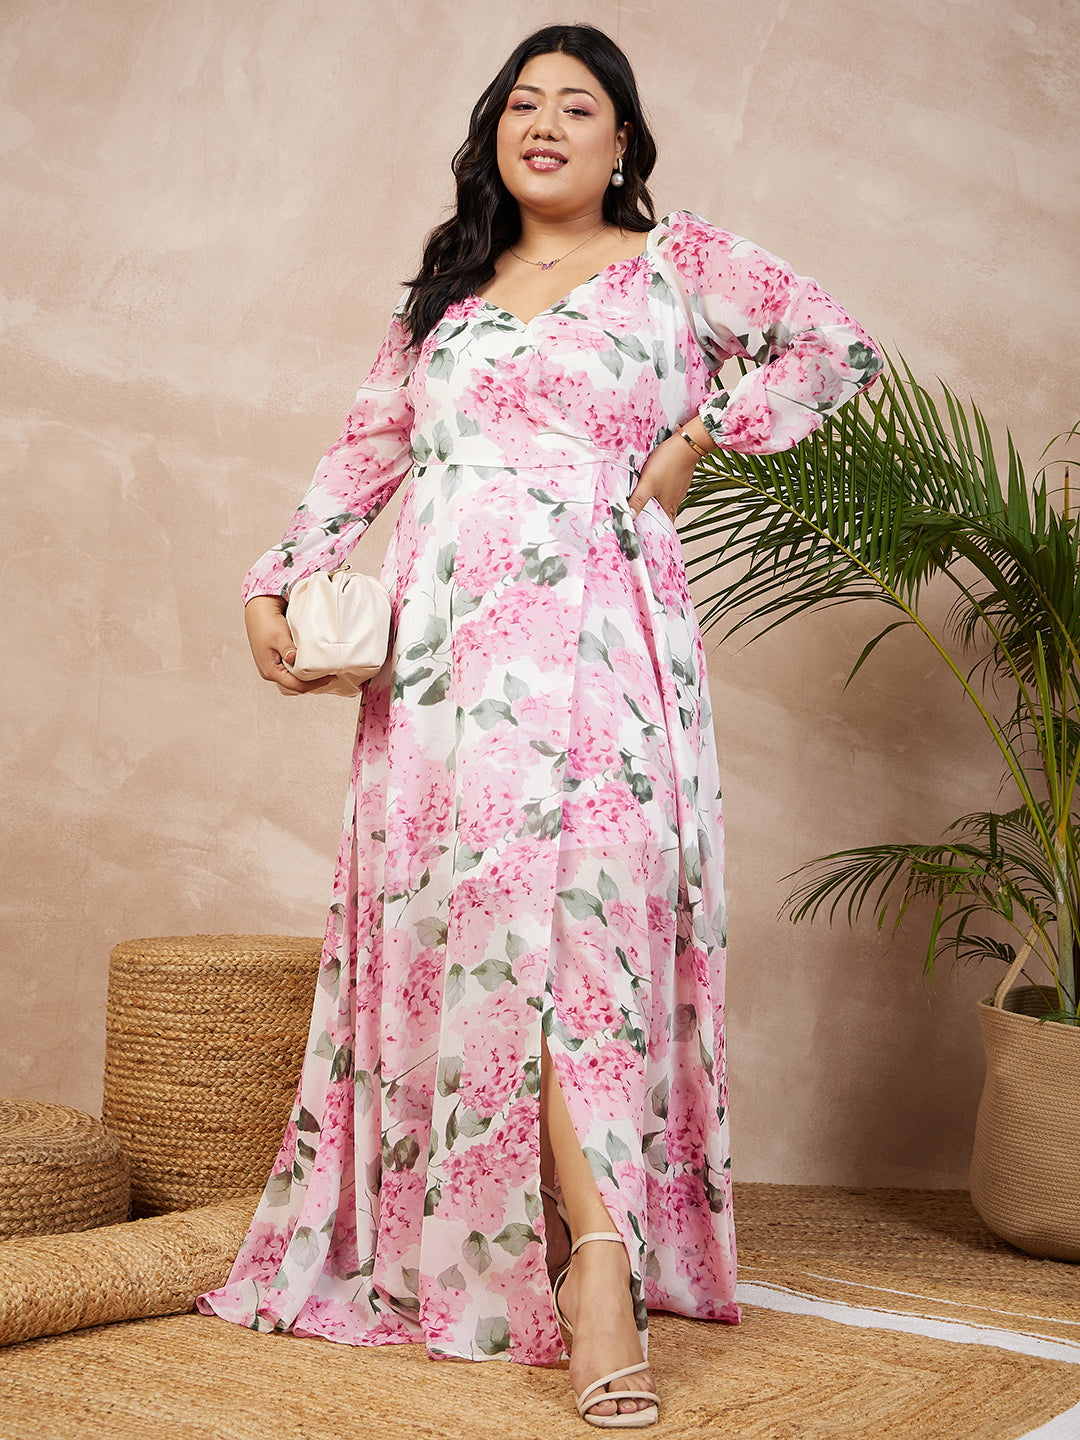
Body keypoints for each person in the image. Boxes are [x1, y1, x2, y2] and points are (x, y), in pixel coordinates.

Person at [197, 23, 881, 1428]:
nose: (549, 124)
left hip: (603, 635)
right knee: (486, 932)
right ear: (493, 132)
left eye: (581, 106)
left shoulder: (677, 264)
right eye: (525, 103)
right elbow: (367, 451)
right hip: (444, 662)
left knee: (575, 933)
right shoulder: (445, 292)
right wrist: (274, 580)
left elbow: (834, 345)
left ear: (624, 142)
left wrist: (694, 439)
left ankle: (602, 1268)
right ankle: (543, 1249)